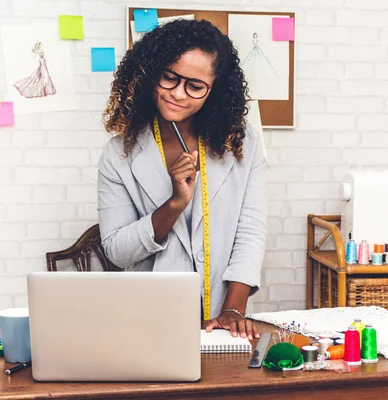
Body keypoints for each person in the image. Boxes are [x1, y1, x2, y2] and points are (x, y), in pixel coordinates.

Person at [97, 19, 267, 340]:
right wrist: (174, 204)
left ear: (214, 89)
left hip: (224, 319)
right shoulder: (118, 153)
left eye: (195, 86)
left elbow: (250, 233)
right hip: (149, 320)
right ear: (151, 72)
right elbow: (117, 252)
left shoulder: (243, 144)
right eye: (170, 77)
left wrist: (232, 311)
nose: (177, 93)